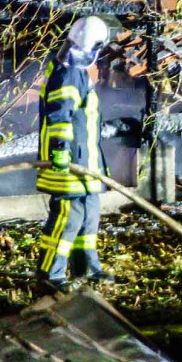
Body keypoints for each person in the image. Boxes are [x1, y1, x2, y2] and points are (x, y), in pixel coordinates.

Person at [35, 15, 116, 293]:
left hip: (86, 163)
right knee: (68, 218)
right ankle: (50, 274)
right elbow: (60, 114)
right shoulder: (66, 73)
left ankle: (87, 268)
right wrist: (60, 150)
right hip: (69, 163)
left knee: (89, 215)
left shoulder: (77, 72)